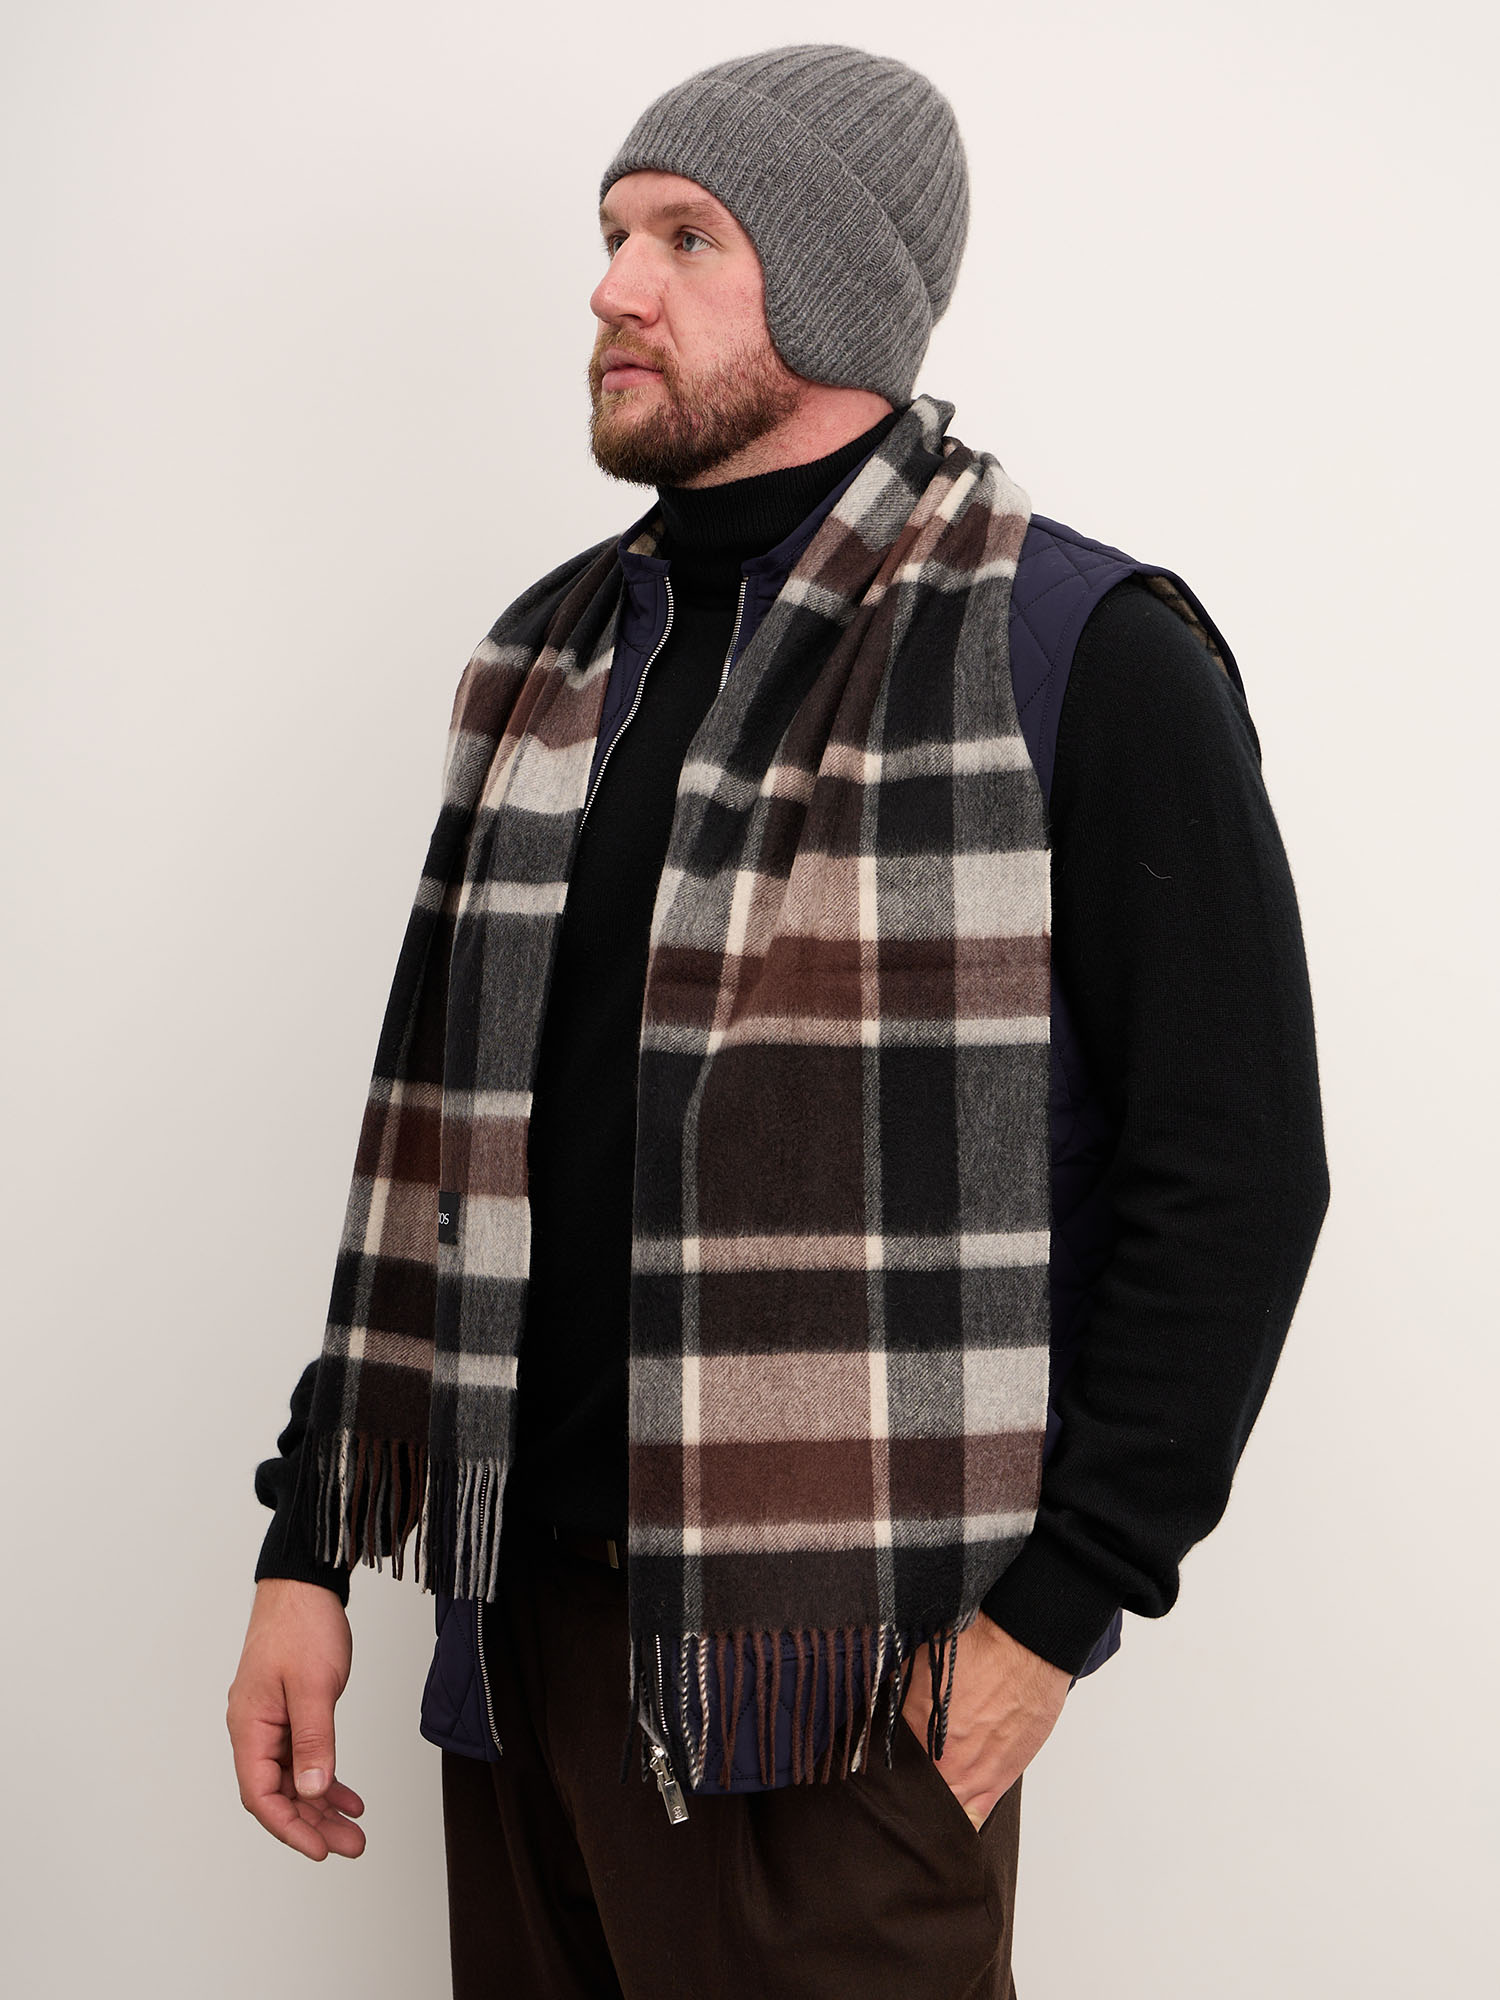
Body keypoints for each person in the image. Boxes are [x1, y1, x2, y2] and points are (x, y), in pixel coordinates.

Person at [227, 43, 1329, 1999]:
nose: (612, 287)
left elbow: (1236, 1172)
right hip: (519, 1650)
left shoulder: (1071, 648)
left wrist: (1060, 1608)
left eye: (684, 238)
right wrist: (310, 1542)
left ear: (828, 287)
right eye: (611, 234)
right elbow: (443, 1140)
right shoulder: (547, 660)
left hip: (839, 1693)